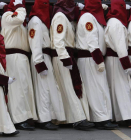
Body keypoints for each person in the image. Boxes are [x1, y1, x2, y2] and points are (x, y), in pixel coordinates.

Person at [50, 0, 94, 130]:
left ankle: (73, 117)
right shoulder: (60, 17)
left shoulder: (65, 17)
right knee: (69, 87)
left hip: (66, 56)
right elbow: (58, 41)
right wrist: (65, 59)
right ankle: (78, 119)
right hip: (63, 57)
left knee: (70, 87)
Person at [76, 0, 118, 130]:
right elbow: (92, 41)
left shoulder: (92, 17)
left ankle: (101, 117)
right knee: (96, 89)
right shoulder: (88, 17)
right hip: (91, 58)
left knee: (99, 88)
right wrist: (99, 60)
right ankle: (101, 119)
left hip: (93, 58)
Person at [28, 0, 66, 130]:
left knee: (49, 88)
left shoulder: (42, 21)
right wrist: (39, 63)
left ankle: (49, 117)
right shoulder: (35, 21)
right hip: (41, 58)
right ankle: (44, 119)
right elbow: (35, 43)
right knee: (43, 89)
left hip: (45, 57)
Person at [1, 0, 38, 130]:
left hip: (22, 57)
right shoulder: (7, 16)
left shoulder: (20, 19)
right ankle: (18, 119)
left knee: (25, 88)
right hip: (13, 57)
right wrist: (20, 7)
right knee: (17, 89)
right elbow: (19, 19)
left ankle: (27, 116)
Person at [105, 0, 131, 127]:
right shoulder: (117, 24)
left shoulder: (111, 21)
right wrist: (127, 66)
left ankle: (118, 116)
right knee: (122, 88)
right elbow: (121, 47)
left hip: (113, 59)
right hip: (117, 59)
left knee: (114, 88)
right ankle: (127, 117)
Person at [0, 33, 19, 136]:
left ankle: (0, 129)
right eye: (0, 44)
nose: (3, 46)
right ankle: (7, 129)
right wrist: (7, 80)